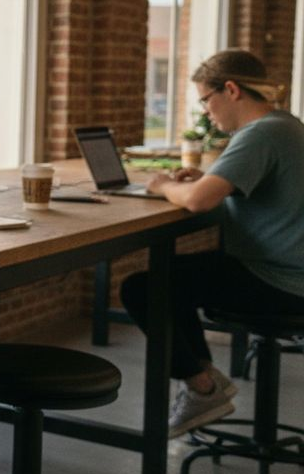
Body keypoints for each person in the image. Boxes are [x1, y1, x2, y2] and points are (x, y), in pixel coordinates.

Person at [120, 49, 304, 437]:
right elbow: (239, 190)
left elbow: (200, 201)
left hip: (279, 280)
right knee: (173, 280)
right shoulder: (287, 126)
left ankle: (202, 386)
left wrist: (166, 184)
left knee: (144, 287)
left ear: (231, 89)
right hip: (291, 274)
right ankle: (204, 382)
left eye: (206, 99)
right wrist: (205, 178)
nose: (206, 112)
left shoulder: (261, 133)